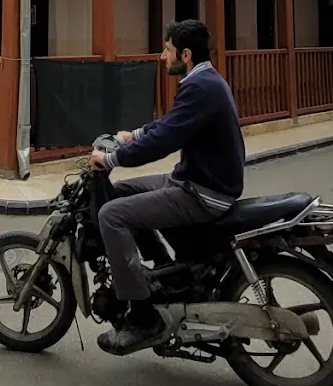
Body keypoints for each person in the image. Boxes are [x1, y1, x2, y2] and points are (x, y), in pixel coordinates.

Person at [90, 18, 245, 355]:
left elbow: (165, 141)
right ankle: (167, 274)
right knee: (125, 194)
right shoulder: (206, 80)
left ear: (185, 54)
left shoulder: (200, 87)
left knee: (111, 215)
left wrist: (112, 160)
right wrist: (133, 135)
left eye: (167, 49)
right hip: (195, 179)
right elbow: (171, 125)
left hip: (203, 192)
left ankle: (144, 319)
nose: (162, 57)